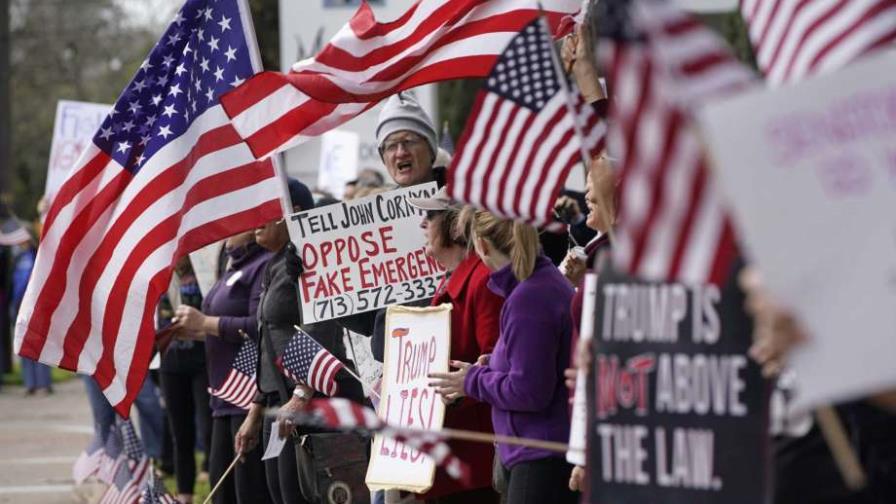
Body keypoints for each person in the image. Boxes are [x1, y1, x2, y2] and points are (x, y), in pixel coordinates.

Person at [429, 210, 577, 504]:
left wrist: (472, 381)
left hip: (539, 459)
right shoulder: (537, 287)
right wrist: (490, 367)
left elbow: (529, 391)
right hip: (542, 454)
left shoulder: (529, 297)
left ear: (482, 246)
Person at [234, 178, 365, 504]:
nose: (255, 220)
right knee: (280, 495)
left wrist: (300, 395)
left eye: (266, 209)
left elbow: (322, 328)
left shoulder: (309, 260)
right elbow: (267, 340)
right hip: (276, 401)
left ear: (294, 214)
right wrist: (256, 409)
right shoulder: (273, 264)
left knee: (306, 495)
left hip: (309, 402)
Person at [408, 188, 502, 504]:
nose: (423, 223)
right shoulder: (452, 278)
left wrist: (449, 395)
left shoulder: (482, 278)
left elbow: (493, 361)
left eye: (431, 216)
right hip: (448, 449)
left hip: (472, 452)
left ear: (455, 225)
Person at [170, 230, 272, 504]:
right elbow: (221, 325)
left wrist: (204, 323)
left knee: (248, 490)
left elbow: (258, 327)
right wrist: (192, 331)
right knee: (221, 490)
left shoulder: (263, 265)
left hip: (248, 395)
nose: (225, 228)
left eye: (236, 222)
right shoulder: (232, 264)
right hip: (224, 395)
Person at [159, 257, 212, 503]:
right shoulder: (160, 273)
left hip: (203, 360)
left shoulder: (204, 268)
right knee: (181, 435)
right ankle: (185, 496)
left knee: (208, 428)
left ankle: (215, 487)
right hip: (170, 362)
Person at [9, 231, 52, 395]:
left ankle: (44, 383)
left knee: (39, 345)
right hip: (19, 304)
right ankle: (30, 384)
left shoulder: (38, 256)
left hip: (37, 305)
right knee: (23, 344)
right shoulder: (15, 259)